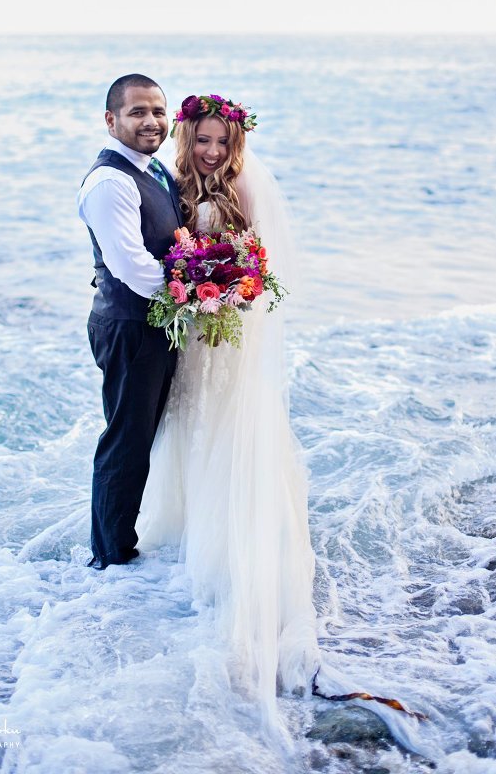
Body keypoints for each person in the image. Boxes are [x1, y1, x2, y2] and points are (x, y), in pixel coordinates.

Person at [135, 92, 321, 739]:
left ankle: (229, 551)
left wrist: (227, 292)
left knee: (228, 432)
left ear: (235, 140)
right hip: (191, 334)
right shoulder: (176, 179)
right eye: (204, 139)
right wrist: (189, 288)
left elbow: (262, 269)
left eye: (222, 140)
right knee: (186, 431)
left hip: (231, 336)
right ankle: (185, 527)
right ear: (189, 138)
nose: (213, 150)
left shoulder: (247, 181)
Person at [77, 74, 183, 570]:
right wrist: (203, 297)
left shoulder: (153, 169)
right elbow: (135, 269)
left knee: (142, 435)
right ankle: (110, 556)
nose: (151, 121)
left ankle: (119, 539)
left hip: (156, 323)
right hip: (130, 325)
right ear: (111, 120)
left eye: (158, 111)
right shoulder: (110, 181)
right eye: (137, 112)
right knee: (126, 440)